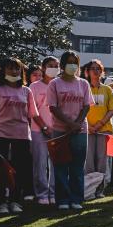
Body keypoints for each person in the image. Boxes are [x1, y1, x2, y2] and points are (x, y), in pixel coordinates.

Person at [0, 57, 42, 214]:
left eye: (17, 68)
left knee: (19, 170)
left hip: (21, 136)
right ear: (3, 70)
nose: (14, 71)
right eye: (10, 68)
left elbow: (31, 115)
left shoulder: (26, 91)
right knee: (0, 169)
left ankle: (15, 200)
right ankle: (1, 201)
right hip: (1, 134)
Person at [49, 51, 94, 211]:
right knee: (60, 166)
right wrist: (69, 123)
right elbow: (53, 107)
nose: (72, 65)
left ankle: (76, 199)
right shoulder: (54, 83)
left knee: (77, 166)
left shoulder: (83, 83)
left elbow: (87, 105)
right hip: (60, 130)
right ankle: (62, 199)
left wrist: (77, 123)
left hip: (79, 130)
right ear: (62, 65)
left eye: (75, 62)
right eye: (69, 62)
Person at [28, 56, 59, 206]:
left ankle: (53, 192)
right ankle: (41, 193)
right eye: (50, 65)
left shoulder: (60, 85)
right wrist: (44, 127)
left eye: (56, 66)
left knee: (56, 163)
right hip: (38, 130)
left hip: (58, 131)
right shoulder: (34, 87)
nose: (53, 68)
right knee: (40, 164)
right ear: (43, 67)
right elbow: (32, 111)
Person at [85, 60, 113, 197]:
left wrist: (100, 123)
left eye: (98, 68)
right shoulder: (84, 88)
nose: (95, 71)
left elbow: (112, 109)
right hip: (87, 130)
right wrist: (88, 125)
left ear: (102, 71)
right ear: (87, 72)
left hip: (104, 129)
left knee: (102, 161)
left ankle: (100, 190)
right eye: (92, 68)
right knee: (89, 161)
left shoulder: (107, 89)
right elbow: (79, 109)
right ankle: (90, 190)